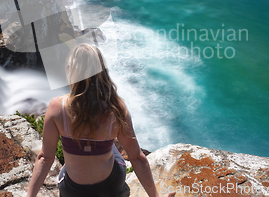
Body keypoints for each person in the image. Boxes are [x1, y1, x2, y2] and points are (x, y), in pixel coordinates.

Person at [26, 43, 172, 197]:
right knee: (112, 146)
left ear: (70, 71)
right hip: (109, 186)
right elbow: (137, 158)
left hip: (73, 191)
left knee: (66, 167)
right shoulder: (116, 108)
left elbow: (45, 158)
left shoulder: (57, 107)